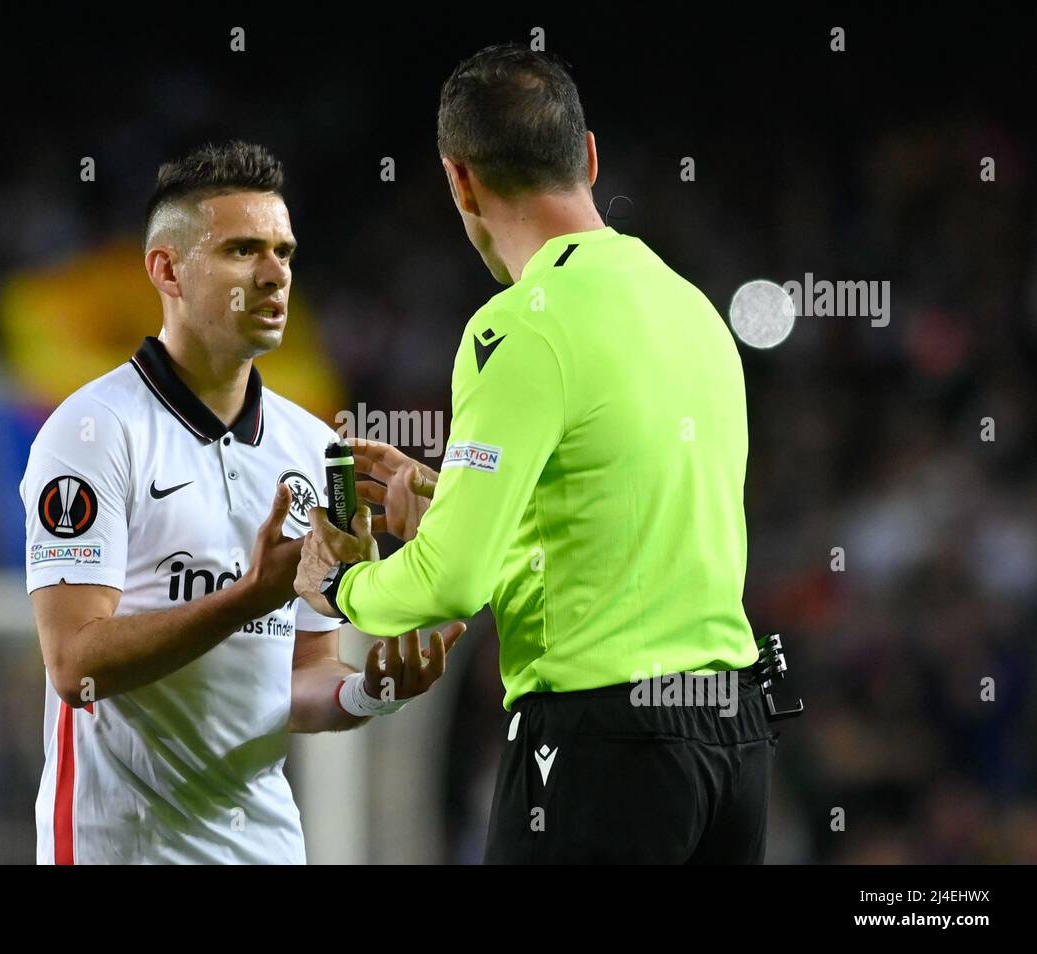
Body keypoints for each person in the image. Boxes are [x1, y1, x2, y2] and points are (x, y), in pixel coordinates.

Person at [296, 45, 776, 864]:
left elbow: (451, 581)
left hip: (605, 747)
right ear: (587, 156)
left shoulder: (516, 327)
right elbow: (613, 516)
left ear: (460, 181)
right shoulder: (692, 306)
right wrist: (461, 496)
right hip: (735, 740)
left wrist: (343, 587)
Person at [20, 141, 464, 864]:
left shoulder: (313, 447)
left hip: (265, 847)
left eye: (284, 253)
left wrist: (366, 691)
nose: (273, 275)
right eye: (242, 251)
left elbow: (302, 673)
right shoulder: (90, 433)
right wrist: (246, 597)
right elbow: (74, 665)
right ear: (167, 270)